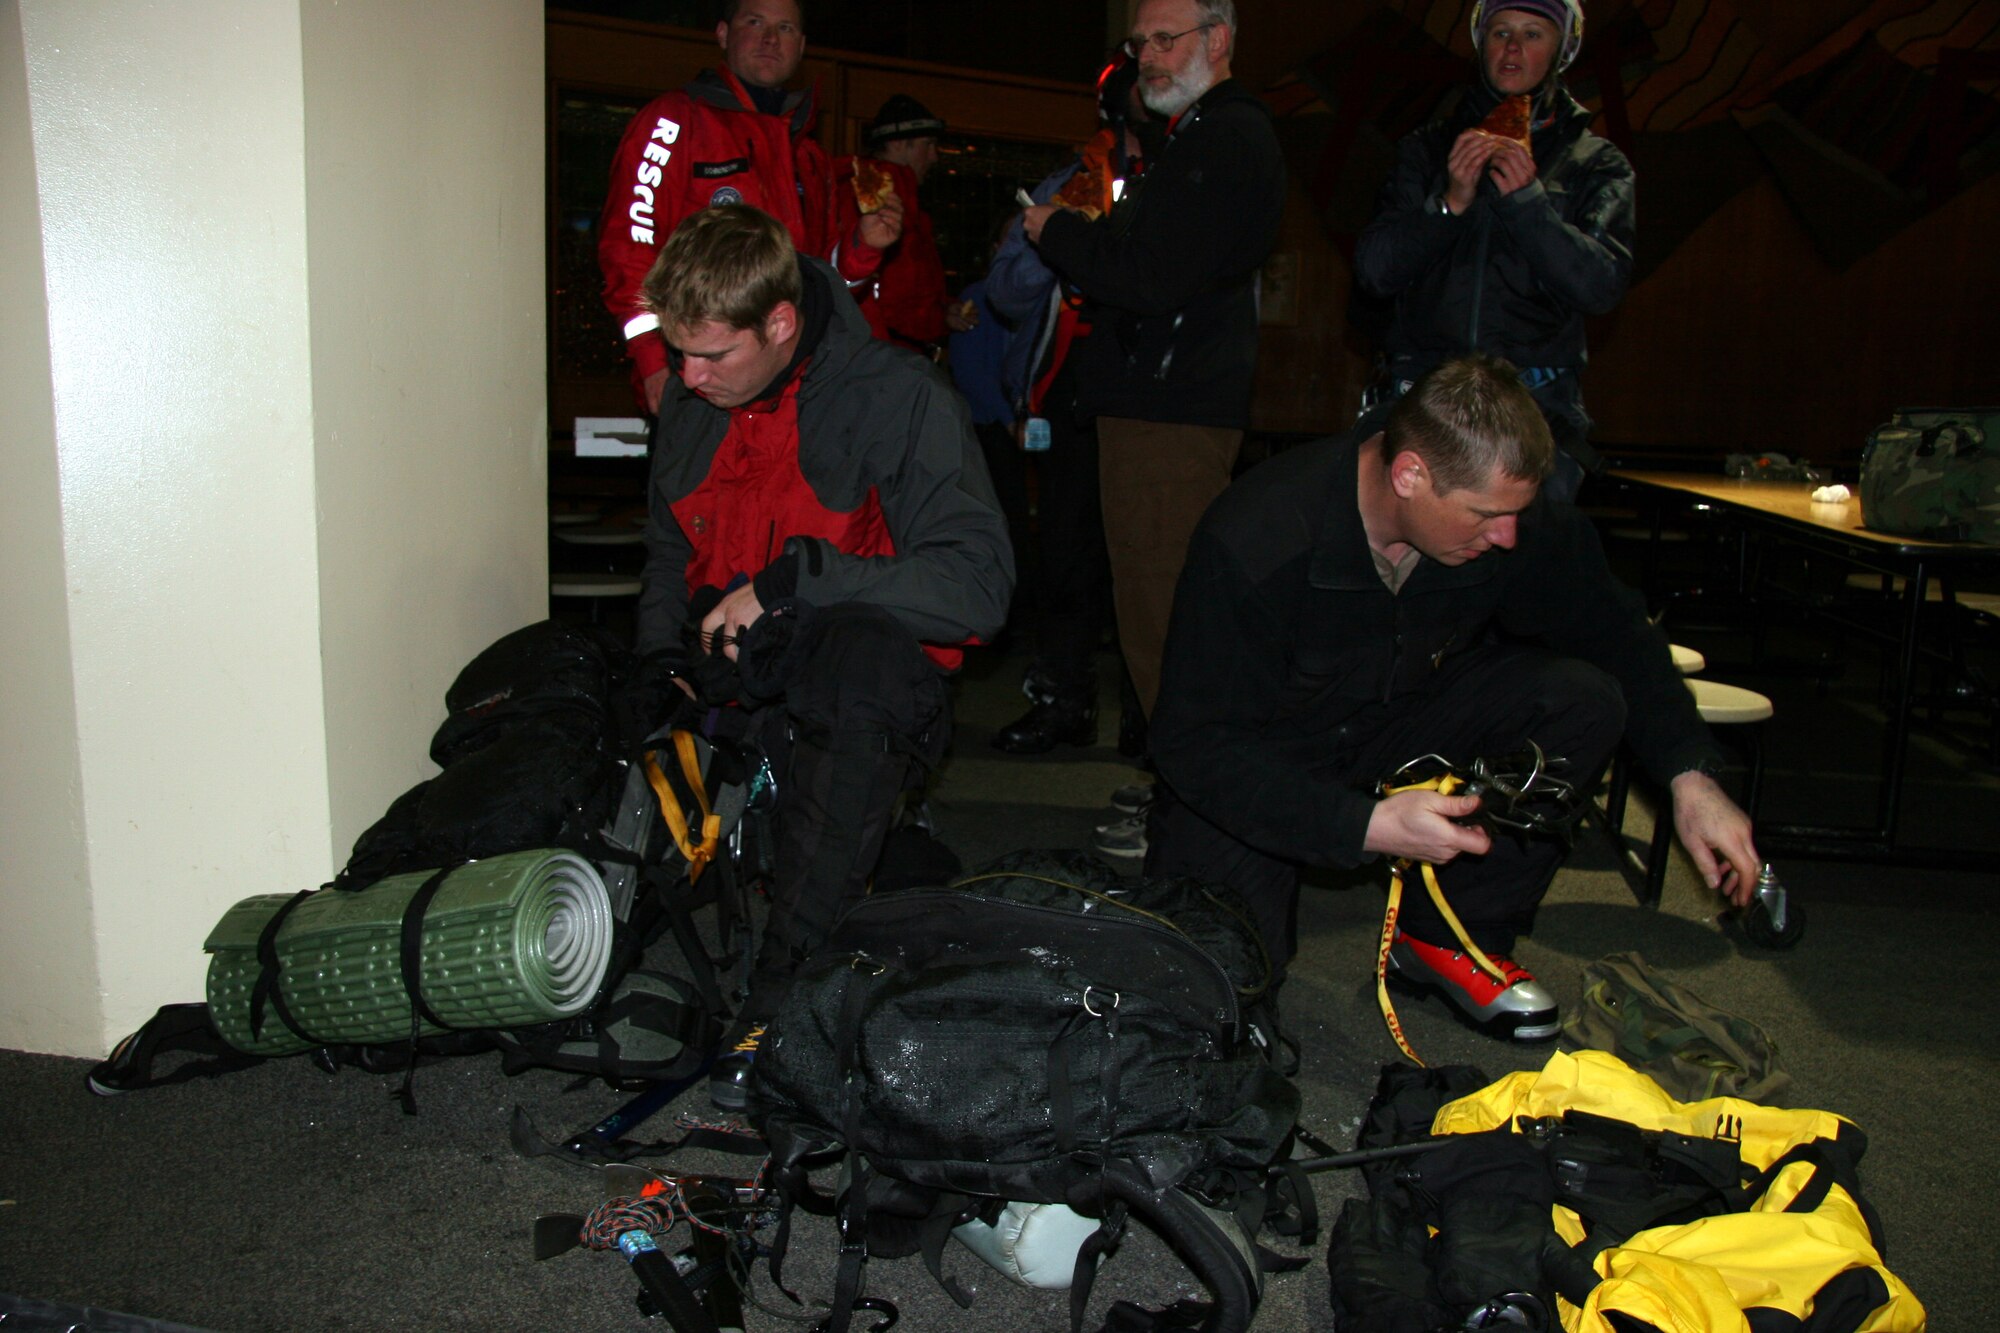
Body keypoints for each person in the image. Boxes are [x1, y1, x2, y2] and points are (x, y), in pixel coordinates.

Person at [1143, 356, 1759, 1042]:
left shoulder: (1504, 515)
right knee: (1217, 997)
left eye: (1516, 513)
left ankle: (1448, 936)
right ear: (1410, 475)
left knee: (1581, 700)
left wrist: (1689, 774)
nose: (1507, 536)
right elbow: (1195, 745)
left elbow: (1617, 631)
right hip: (1262, 764)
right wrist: (1363, 825)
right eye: (1487, 515)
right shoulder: (1258, 534)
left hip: (1401, 722)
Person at [633, 205, 1013, 1107]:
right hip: (733, 674)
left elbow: (977, 589)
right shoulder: (694, 398)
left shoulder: (897, 396)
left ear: (780, 322)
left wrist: (798, 580)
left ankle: (787, 997)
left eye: (710, 355)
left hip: (851, 687)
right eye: (676, 351)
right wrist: (657, 659)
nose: (685, 377)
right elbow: (667, 550)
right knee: (570, 681)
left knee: (857, 667)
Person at [1021, 0, 1285, 856]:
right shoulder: (1204, 135)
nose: (1149, 59)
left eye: (1166, 40)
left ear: (1220, 39)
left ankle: (1198, 816)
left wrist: (1061, 233)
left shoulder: (1224, 138)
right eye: (1141, 45)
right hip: (1164, 403)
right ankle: (1188, 796)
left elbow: (1152, 276)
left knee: (1165, 622)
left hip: (1170, 410)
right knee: (1159, 618)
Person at [1353, 0, 1632, 502]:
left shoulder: (1595, 162)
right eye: (1500, 32)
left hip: (1533, 408)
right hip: (1423, 401)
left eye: (1533, 34)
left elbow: (1601, 286)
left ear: (1562, 50)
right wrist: (1448, 205)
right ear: (1481, 44)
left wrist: (1528, 205)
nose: (1513, 48)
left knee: (1519, 550)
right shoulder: (1426, 150)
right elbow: (1374, 271)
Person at [596, 0, 903, 413]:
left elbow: (822, 285)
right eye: (755, 22)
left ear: (801, 45)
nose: (770, 39)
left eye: (785, 28)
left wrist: (864, 248)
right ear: (723, 34)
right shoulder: (674, 121)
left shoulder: (809, 155)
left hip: (793, 391)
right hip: (700, 383)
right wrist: (653, 361)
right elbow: (628, 250)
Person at [982, 55, 1144, 756]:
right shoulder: (1068, 182)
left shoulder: (1190, 179)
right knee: (1065, 550)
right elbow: (1004, 292)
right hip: (1069, 388)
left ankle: (1151, 715)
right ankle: (1062, 699)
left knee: (1147, 555)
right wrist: (1059, 240)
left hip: (1152, 386)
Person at [834, 94, 952, 353]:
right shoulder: (881, 191)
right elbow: (899, 290)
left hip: (880, 347)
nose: (934, 156)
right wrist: (935, 323)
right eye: (927, 144)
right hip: (884, 350)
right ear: (897, 143)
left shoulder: (900, 194)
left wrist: (944, 311)